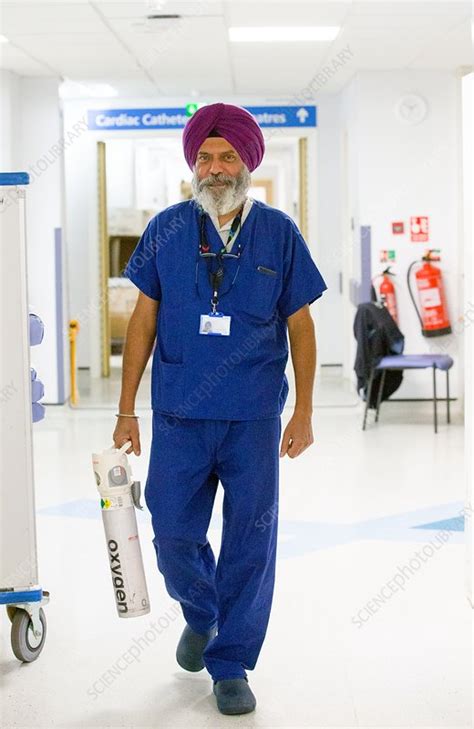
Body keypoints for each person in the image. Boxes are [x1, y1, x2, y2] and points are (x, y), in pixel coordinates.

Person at [113, 102, 327, 716]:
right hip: (180, 411)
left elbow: (302, 326)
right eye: (204, 156)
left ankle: (230, 662)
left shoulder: (279, 232)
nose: (214, 167)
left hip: (253, 415)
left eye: (227, 155)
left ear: (247, 163)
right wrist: (127, 409)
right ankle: (203, 612)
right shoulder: (167, 229)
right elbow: (143, 318)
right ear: (192, 164)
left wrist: (305, 409)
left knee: (250, 543)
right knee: (172, 530)